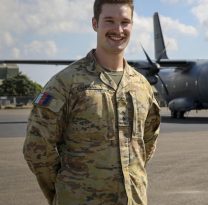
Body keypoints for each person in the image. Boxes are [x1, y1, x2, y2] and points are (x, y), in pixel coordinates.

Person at [23, 0, 161, 204]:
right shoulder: (65, 83)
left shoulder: (142, 86)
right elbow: (37, 147)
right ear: (95, 24)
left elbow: (147, 141)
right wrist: (66, 189)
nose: (118, 29)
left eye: (125, 22)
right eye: (109, 21)